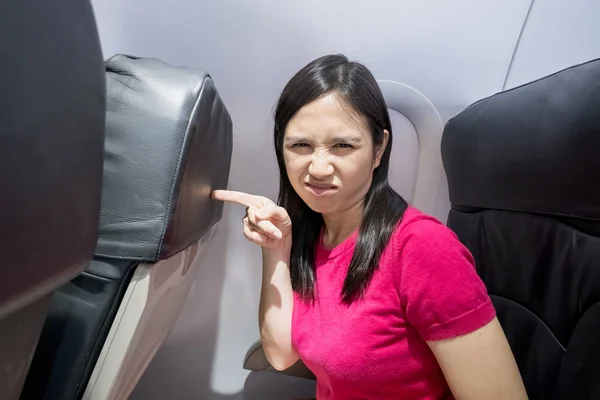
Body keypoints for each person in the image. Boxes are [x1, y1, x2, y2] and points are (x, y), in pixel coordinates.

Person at [212, 54, 527, 400]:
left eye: (343, 145)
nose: (318, 168)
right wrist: (276, 250)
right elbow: (281, 353)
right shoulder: (311, 233)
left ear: (379, 150)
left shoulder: (422, 248)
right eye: (300, 145)